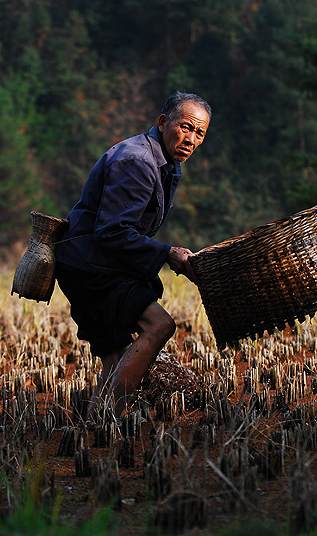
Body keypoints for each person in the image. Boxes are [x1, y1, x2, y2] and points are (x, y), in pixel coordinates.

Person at [55, 91, 211, 420]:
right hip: (92, 265)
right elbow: (111, 231)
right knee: (159, 325)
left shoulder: (165, 162)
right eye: (185, 128)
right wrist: (168, 254)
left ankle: (96, 422)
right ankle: (110, 417)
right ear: (163, 122)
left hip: (91, 261)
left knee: (115, 355)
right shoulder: (138, 161)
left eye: (199, 133)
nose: (190, 139)